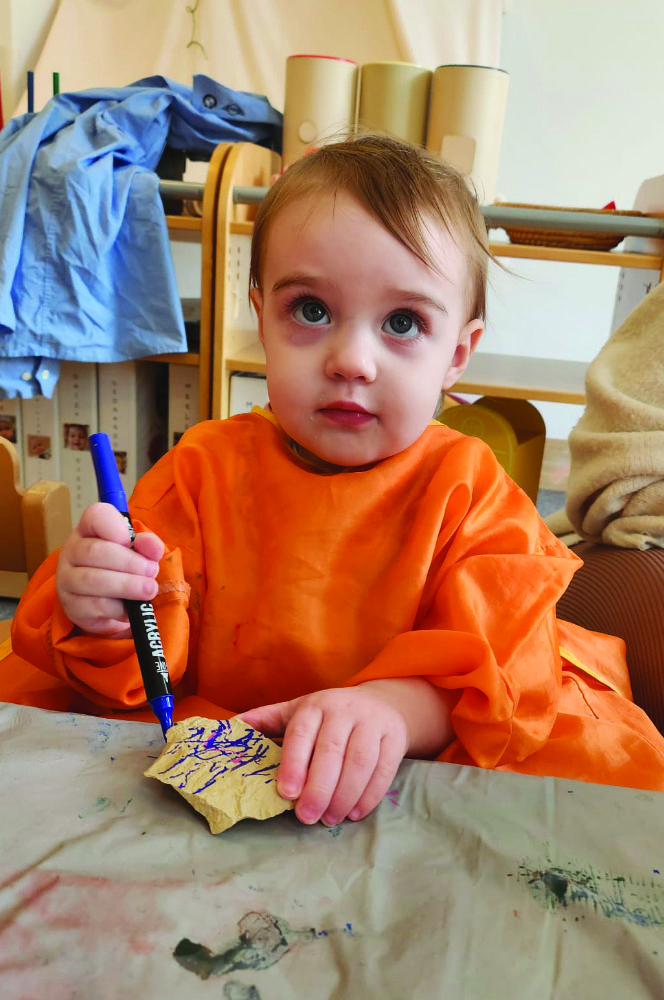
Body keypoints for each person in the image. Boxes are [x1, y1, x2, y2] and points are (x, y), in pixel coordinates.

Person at [4, 135, 664, 830]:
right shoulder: (199, 471)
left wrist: (395, 709)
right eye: (311, 310)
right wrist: (101, 609)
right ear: (261, 318)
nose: (352, 360)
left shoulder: (472, 492)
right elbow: (141, 661)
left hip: (413, 763)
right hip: (229, 739)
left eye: (403, 322)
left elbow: (500, 671)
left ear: (457, 354)